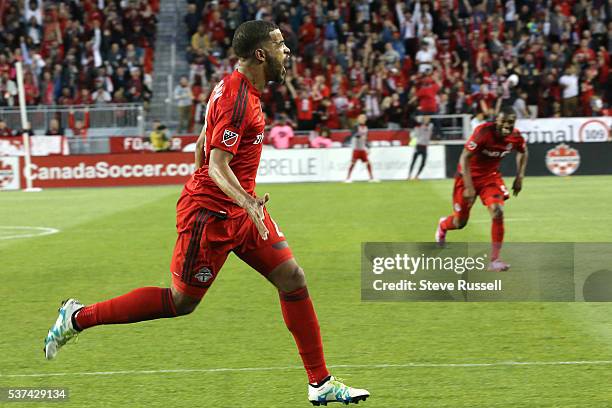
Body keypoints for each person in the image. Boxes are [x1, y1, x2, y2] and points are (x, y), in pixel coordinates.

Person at [44, 20, 370, 407]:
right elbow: (216, 164)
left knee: (293, 278)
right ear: (261, 53)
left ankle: (320, 383)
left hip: (240, 209)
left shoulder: (234, 88)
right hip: (213, 217)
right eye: (281, 45)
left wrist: (240, 200)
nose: (288, 52)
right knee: (181, 302)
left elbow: (202, 142)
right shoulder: (236, 99)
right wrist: (240, 201)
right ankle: (78, 317)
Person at [435, 107, 528, 272]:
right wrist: (469, 186)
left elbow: (523, 152)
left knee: (497, 211)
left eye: (511, 123)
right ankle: (443, 225)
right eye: (503, 122)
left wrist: (519, 176)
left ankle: (495, 260)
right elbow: (464, 157)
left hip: (490, 178)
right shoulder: (483, 132)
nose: (507, 126)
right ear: (496, 120)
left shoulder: (515, 136)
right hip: (467, 176)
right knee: (460, 222)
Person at [345, 113, 377, 183]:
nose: (363, 119)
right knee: (353, 163)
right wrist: (360, 136)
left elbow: (366, 138)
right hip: (356, 148)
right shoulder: (355, 127)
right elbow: (353, 134)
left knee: (368, 162)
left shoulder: (366, 128)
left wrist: (368, 147)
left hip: (362, 148)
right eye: (361, 118)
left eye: (364, 118)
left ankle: (371, 178)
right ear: (358, 119)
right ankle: (348, 178)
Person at [408, 115, 432, 180]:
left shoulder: (430, 126)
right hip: (419, 145)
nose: (427, 120)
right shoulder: (419, 126)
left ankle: (417, 175)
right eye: (426, 119)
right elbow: (415, 124)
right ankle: (409, 175)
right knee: (414, 161)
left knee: (423, 162)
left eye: (428, 119)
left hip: (425, 146)